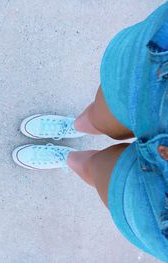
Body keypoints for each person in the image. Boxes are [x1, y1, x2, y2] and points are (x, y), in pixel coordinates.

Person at [12, 2, 168, 261]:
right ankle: (74, 126)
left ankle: (67, 158)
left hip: (160, 201)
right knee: (102, 116)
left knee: (98, 170)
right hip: (159, 73)